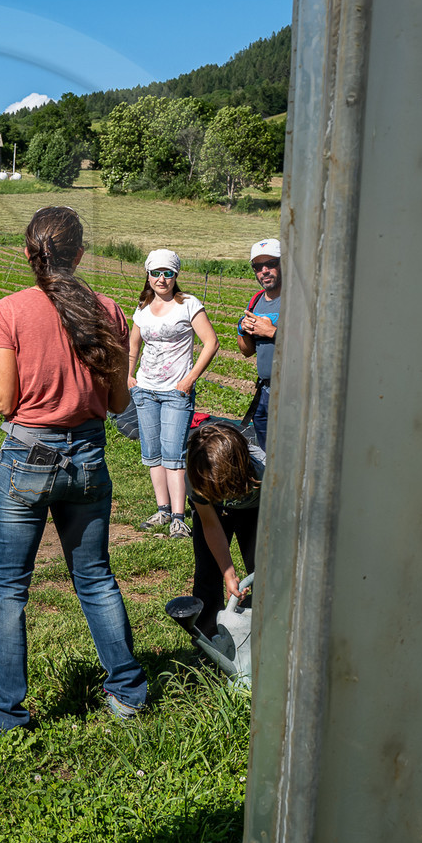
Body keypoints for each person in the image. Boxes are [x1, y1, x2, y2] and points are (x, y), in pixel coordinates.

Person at [0, 206, 150, 737]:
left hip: (28, 459)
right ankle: (128, 693)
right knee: (95, 579)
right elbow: (120, 400)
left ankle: (4, 715)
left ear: (30, 254)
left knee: (8, 589)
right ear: (79, 254)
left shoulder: (11, 310)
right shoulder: (111, 311)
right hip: (90, 459)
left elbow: (3, 400)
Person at [127, 249, 218, 538]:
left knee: (174, 455)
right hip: (146, 389)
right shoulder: (142, 307)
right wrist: (130, 377)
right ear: (148, 275)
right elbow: (133, 346)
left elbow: (211, 342)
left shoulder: (188, 304)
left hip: (176, 391)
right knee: (152, 454)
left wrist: (190, 379)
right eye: (156, 273)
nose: (161, 279)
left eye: (168, 273)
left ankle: (179, 517)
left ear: (176, 275)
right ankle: (162, 510)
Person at [184, 421, 265, 637]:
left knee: (263, 568)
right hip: (213, 510)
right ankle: (208, 639)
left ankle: (267, 630)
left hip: (257, 509)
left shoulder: (265, 471)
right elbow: (210, 524)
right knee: (207, 572)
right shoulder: (196, 476)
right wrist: (229, 572)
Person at [235, 237, 282, 449]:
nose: (264, 271)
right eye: (258, 266)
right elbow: (246, 351)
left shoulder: (300, 299)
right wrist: (242, 331)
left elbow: (313, 346)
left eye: (271, 264)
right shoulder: (256, 301)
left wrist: (271, 331)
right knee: (266, 455)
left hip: (292, 393)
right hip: (264, 392)